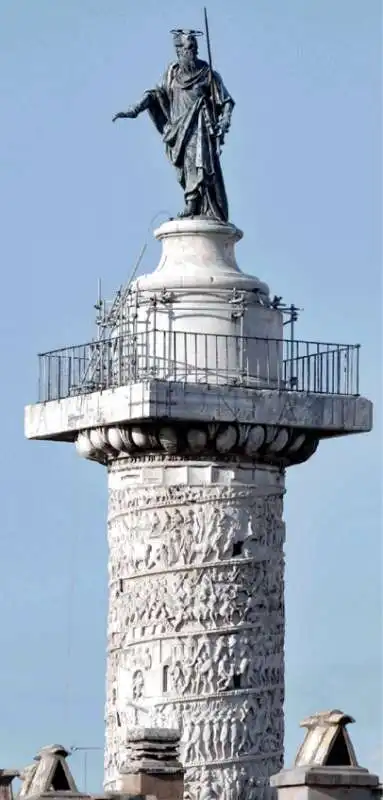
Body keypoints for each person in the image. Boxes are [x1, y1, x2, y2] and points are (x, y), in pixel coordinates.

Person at [113, 29, 234, 221]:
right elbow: (154, 94)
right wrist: (134, 109)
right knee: (186, 166)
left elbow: (226, 100)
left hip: (200, 125)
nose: (193, 52)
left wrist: (225, 119)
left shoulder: (207, 73)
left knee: (199, 161)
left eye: (195, 48)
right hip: (179, 129)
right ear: (179, 51)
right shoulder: (172, 74)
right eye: (188, 48)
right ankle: (194, 202)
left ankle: (194, 202)